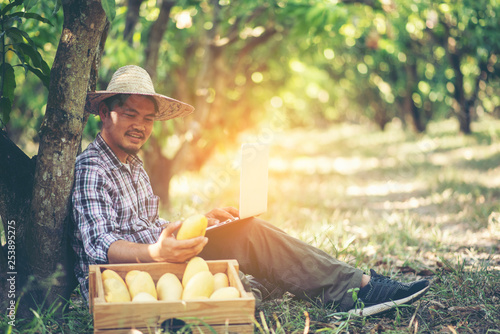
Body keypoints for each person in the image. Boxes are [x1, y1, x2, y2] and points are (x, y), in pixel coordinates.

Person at [71, 65, 430, 317]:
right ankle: (353, 293)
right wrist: (156, 250)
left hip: (156, 259)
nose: (140, 126)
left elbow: (145, 224)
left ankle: (359, 280)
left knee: (244, 226)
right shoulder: (92, 168)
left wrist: (195, 223)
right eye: (130, 114)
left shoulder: (131, 162)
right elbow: (99, 248)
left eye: (148, 118)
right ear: (105, 112)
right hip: (135, 277)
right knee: (250, 235)